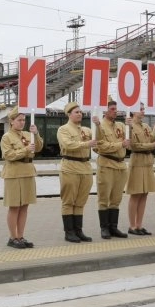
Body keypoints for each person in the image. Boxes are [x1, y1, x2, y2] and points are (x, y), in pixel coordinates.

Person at [0, 107, 42, 249]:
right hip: (14, 173)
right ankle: (13, 237)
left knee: (24, 206)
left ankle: (20, 236)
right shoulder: (6, 137)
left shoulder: (27, 134)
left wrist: (36, 134)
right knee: (14, 206)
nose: (22, 122)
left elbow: (38, 147)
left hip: (28, 172)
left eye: (23, 120)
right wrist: (25, 150)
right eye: (19, 120)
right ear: (11, 121)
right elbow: (8, 155)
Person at [55, 102, 96, 243]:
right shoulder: (63, 129)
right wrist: (86, 144)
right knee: (68, 201)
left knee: (80, 201)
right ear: (69, 114)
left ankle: (78, 230)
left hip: (85, 167)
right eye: (76, 112)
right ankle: (69, 232)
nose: (80, 114)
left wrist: (98, 125)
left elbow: (98, 140)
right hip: (70, 166)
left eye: (80, 112)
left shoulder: (86, 130)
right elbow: (67, 145)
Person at [92, 98, 130, 239]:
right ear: (105, 111)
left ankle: (113, 227)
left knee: (116, 198)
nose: (115, 112)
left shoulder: (120, 125)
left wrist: (130, 127)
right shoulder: (100, 126)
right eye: (112, 109)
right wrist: (120, 145)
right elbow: (101, 146)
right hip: (107, 164)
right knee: (104, 198)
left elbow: (129, 143)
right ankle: (104, 228)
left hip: (120, 165)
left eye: (116, 109)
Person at [125, 103, 155, 235]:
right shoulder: (130, 126)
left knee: (144, 194)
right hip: (138, 160)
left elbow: (150, 139)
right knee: (136, 194)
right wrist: (153, 144)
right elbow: (134, 145)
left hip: (147, 161)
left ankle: (139, 225)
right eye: (140, 109)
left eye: (143, 109)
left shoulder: (145, 126)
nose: (143, 111)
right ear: (133, 112)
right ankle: (132, 226)